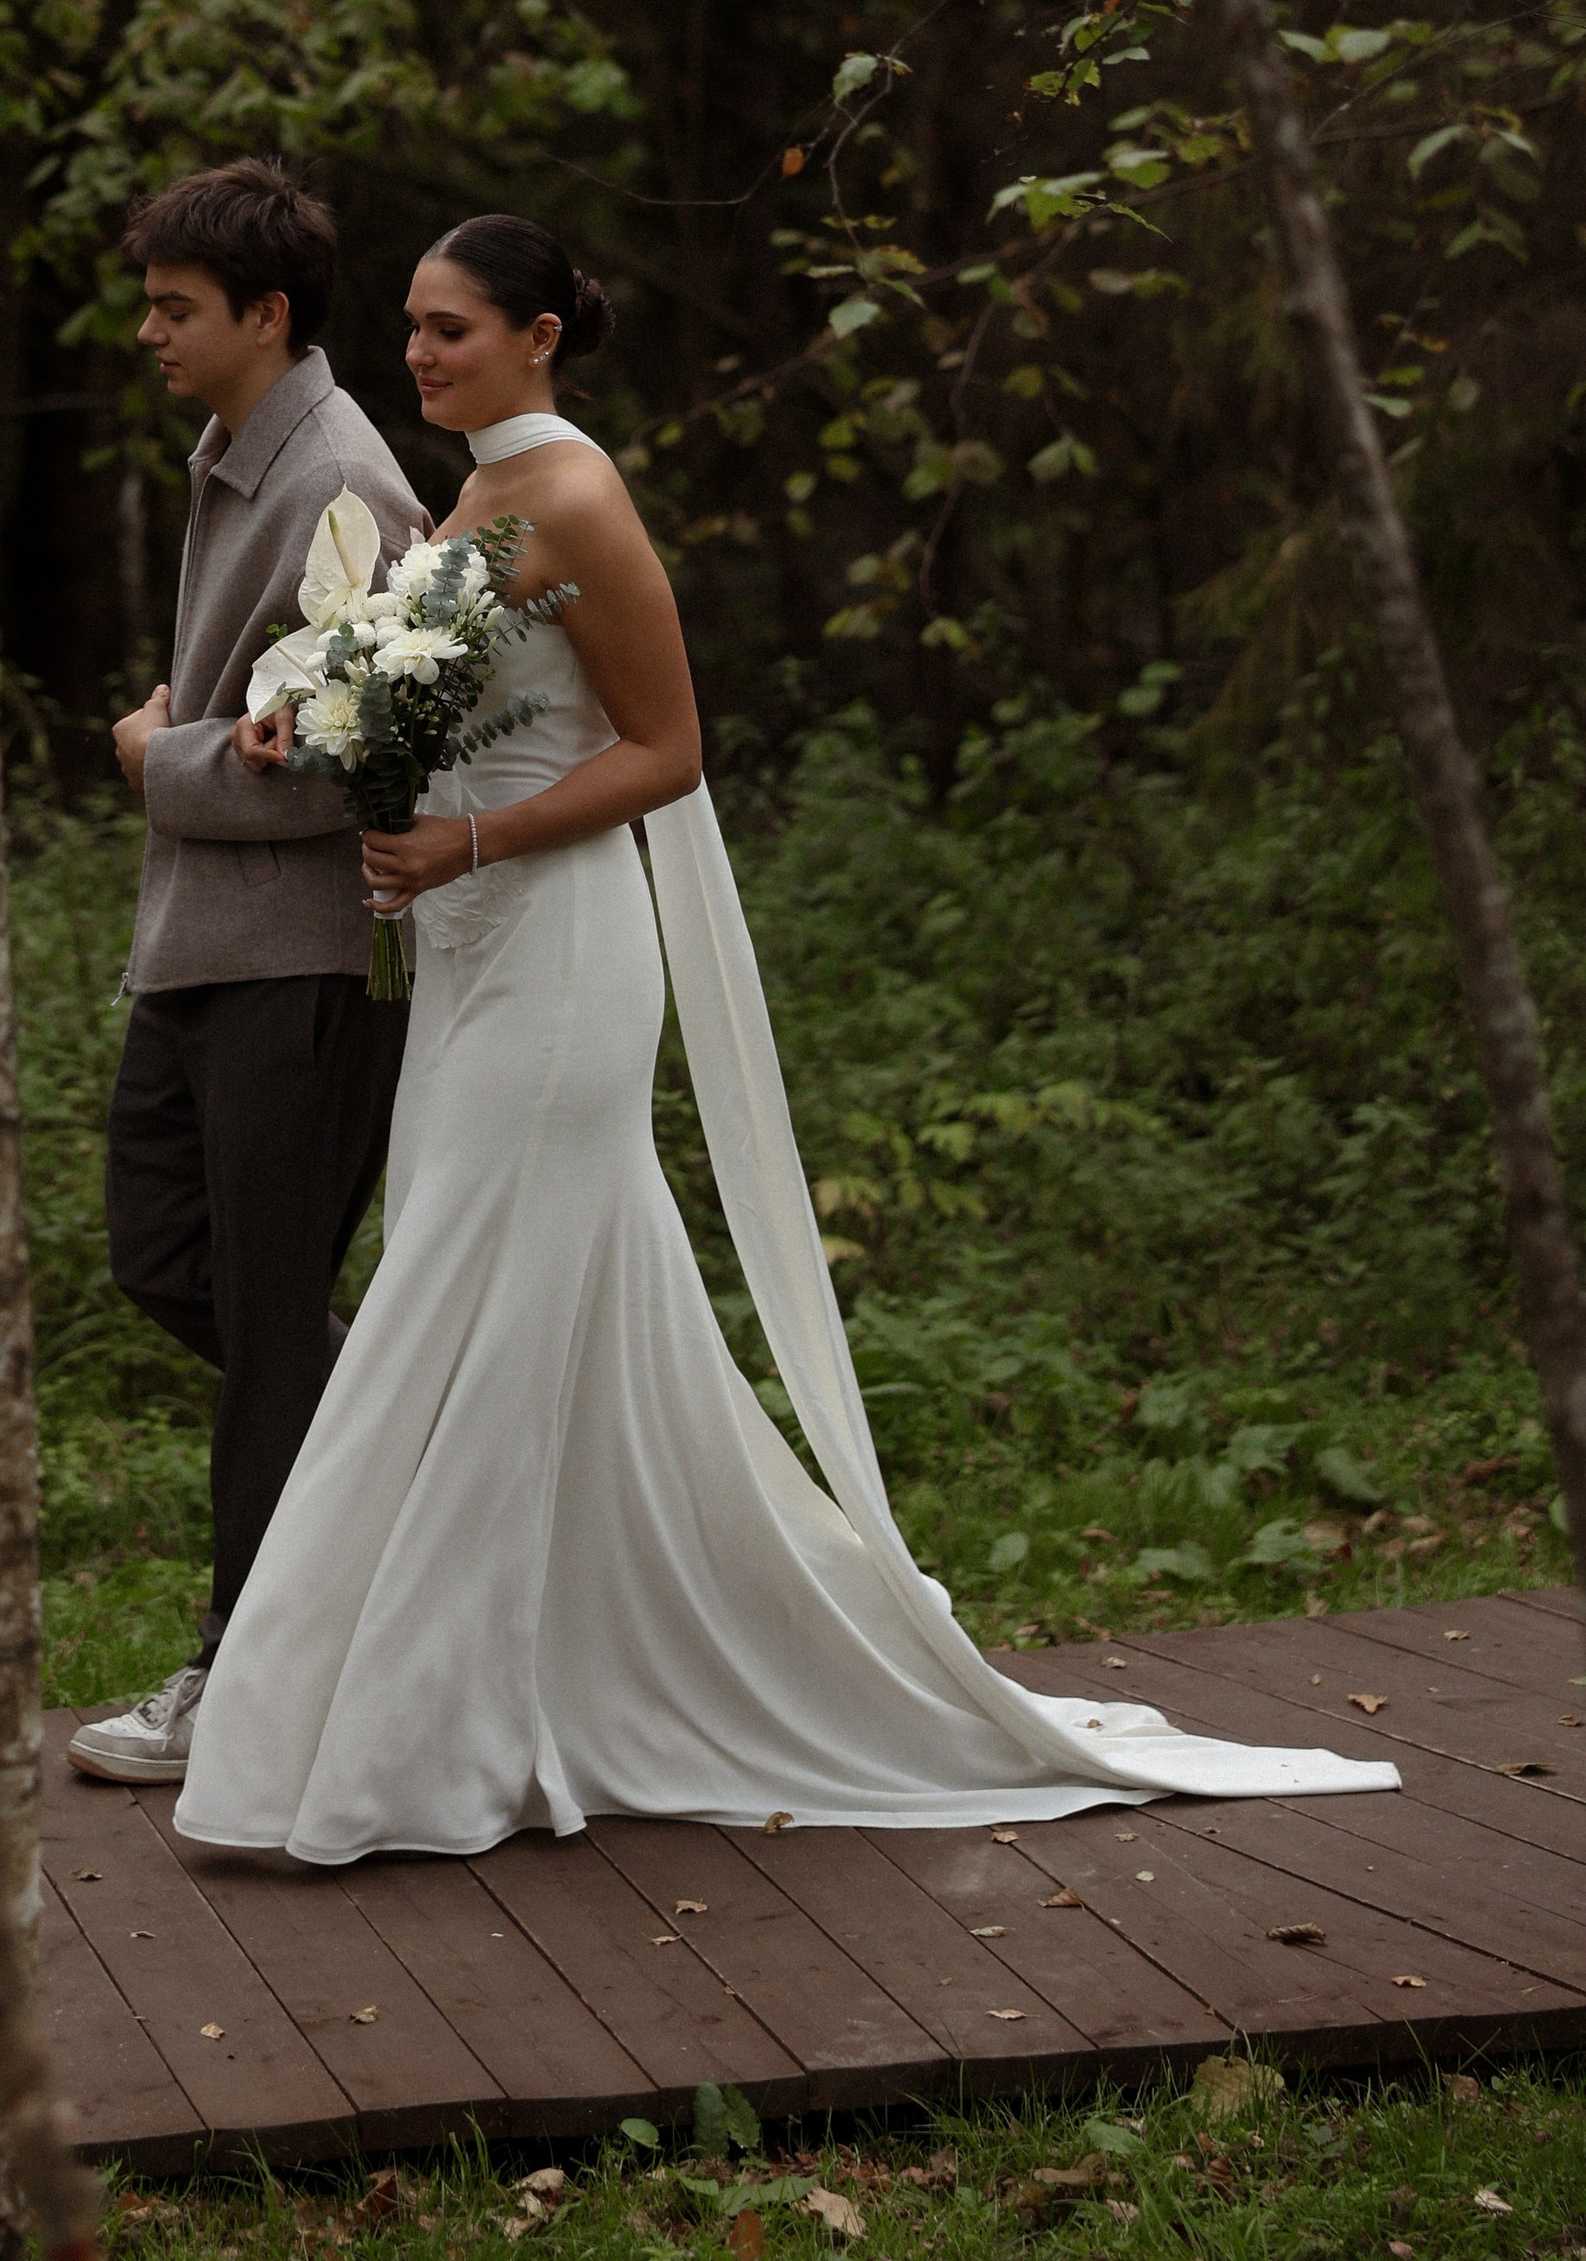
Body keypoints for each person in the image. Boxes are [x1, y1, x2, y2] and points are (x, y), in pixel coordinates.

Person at [173, 211, 1400, 1862]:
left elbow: (669, 751)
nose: (420, 354)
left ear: (541, 336)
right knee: (525, 1308)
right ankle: (545, 1674)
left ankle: (394, 1735)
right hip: (466, 951)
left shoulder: (578, 494)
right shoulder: (467, 496)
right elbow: (447, 706)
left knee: (452, 1291)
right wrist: (315, 721)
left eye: (453, 328)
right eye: (411, 326)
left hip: (560, 947)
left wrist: (470, 842)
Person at [68, 157, 427, 1786]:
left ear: (264, 317)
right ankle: (401, 1456)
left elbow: (372, 764)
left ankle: (245, 1685)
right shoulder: (239, 456)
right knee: (164, 1259)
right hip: (201, 959)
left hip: (303, 970)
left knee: (272, 1326)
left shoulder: (345, 485)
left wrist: (162, 758)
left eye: (175, 308)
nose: (148, 330)